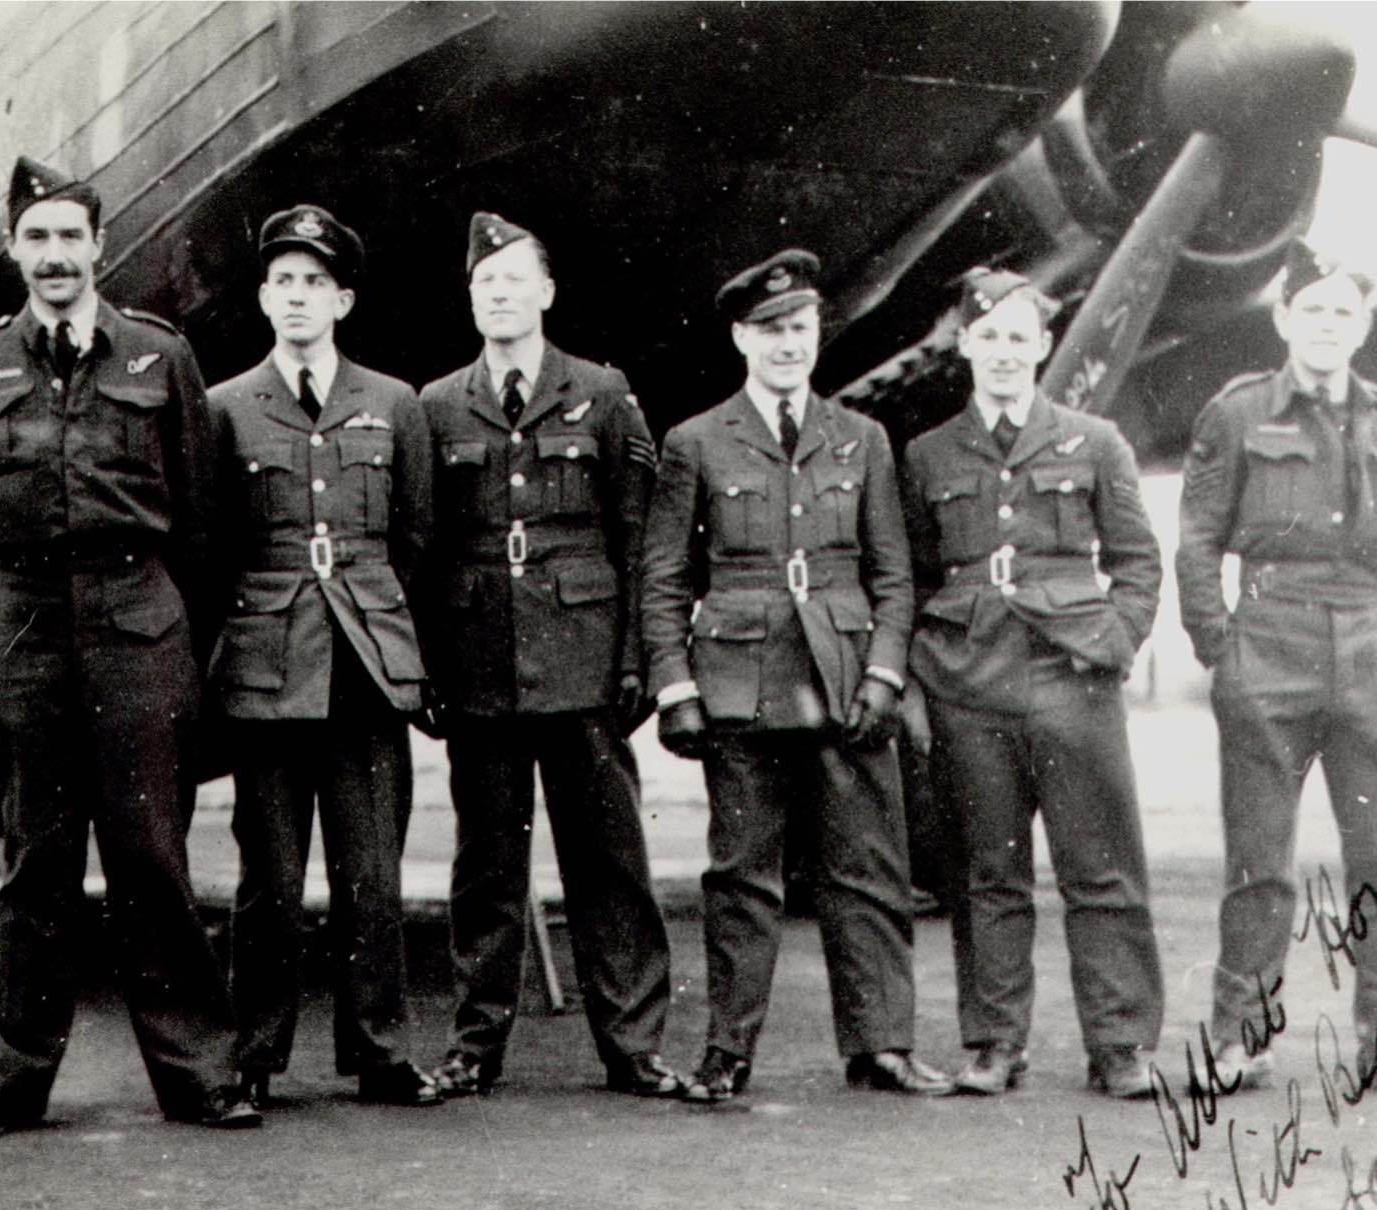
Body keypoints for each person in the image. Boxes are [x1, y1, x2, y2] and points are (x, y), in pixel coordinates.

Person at [0, 157, 258, 1139]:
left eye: (70, 236)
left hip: (137, 620)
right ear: (14, 253)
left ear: (100, 248)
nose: (54, 256)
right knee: (35, 862)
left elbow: (198, 519)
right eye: (35, 239)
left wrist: (161, 626)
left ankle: (199, 1069)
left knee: (151, 857)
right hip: (29, 622)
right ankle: (17, 1077)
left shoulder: (159, 357)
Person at [642, 248, 951, 1102]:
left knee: (870, 869)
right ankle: (727, 1053)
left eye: (802, 328)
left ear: (819, 333)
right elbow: (665, 577)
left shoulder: (862, 438)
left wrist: (886, 676)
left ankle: (882, 1046)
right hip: (741, 689)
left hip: (847, 682)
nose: (788, 344)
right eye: (771, 329)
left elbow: (893, 575)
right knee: (742, 876)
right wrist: (675, 687)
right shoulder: (696, 442)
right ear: (742, 337)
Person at [1176, 240, 1377, 1095]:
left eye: (1343, 311)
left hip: (1374, 644)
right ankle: (1240, 1039)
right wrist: (1220, 648)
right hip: (1271, 641)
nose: (1328, 325)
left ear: (1363, 326)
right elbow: (1195, 541)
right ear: (1283, 319)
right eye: (1313, 310)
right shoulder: (1238, 413)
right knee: (1259, 862)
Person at [418, 212, 678, 1098]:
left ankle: (633, 1045)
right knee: (486, 866)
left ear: (546, 292)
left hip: (585, 655)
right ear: (471, 298)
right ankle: (475, 1045)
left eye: (514, 279)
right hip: (481, 658)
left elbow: (639, 531)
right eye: (484, 283)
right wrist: (430, 668)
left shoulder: (603, 392)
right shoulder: (438, 403)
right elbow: (425, 547)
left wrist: (640, 655)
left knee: (608, 860)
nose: (498, 294)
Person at [900, 268, 1166, 1098]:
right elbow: (908, 573)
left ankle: (1121, 1046)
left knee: (1102, 869)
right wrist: (923, 679)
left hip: (1071, 679)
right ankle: (994, 1043)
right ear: (964, 345)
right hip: (969, 683)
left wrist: (1113, 643)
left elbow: (1136, 560)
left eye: (1021, 337)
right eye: (989, 337)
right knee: (988, 872)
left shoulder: (1096, 441)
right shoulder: (928, 453)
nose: (1005, 353)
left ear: (1044, 344)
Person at [205, 206, 439, 1108]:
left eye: (315, 283)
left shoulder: (394, 403)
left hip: (366, 667)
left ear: (342, 299)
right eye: (282, 283)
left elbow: (413, 537)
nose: (297, 297)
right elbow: (212, 544)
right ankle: (256, 1058)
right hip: (267, 667)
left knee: (371, 875)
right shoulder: (226, 407)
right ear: (264, 299)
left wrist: (381, 624)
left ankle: (379, 1052)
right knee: (269, 875)